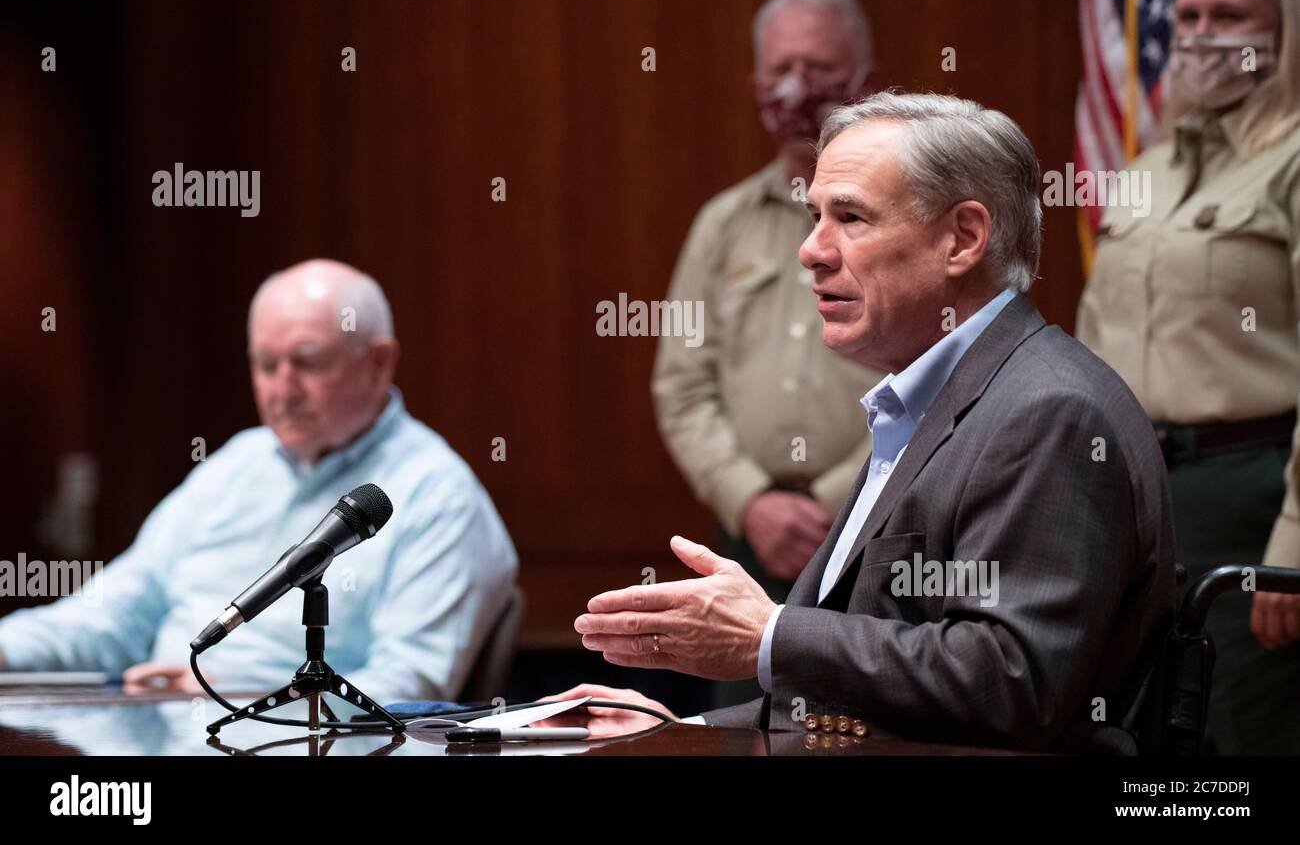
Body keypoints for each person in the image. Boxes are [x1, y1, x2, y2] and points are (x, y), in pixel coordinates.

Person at [548, 93, 1175, 752]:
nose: (811, 251)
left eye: (850, 217)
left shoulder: (1049, 412)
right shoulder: (932, 402)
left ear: (962, 238)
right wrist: (674, 729)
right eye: (814, 215)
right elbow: (848, 711)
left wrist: (769, 636)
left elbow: (1011, 683)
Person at [0, 259, 518, 702]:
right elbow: (109, 618)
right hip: (159, 737)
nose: (282, 390)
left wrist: (236, 695)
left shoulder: (438, 493)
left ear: (379, 363)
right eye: (266, 365)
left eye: (308, 363)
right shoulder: (235, 465)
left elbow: (411, 686)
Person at [1076, 0, 1300, 754]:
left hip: (1254, 494)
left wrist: (1295, 539)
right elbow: (1094, 348)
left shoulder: (1292, 160)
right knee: (1149, 735)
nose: (1205, 35)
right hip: (1139, 497)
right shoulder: (1151, 168)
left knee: (1247, 732)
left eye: (1230, 15)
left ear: (1280, 30)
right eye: (1191, 15)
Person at [651, 0, 884, 705]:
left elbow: (936, 376)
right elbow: (681, 386)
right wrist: (750, 500)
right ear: (755, 84)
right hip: (745, 544)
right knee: (746, 730)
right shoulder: (722, 224)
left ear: (863, 82)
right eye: (781, 69)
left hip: (877, 531)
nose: (797, 86)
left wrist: (836, 498)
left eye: (819, 68)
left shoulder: (899, 219)